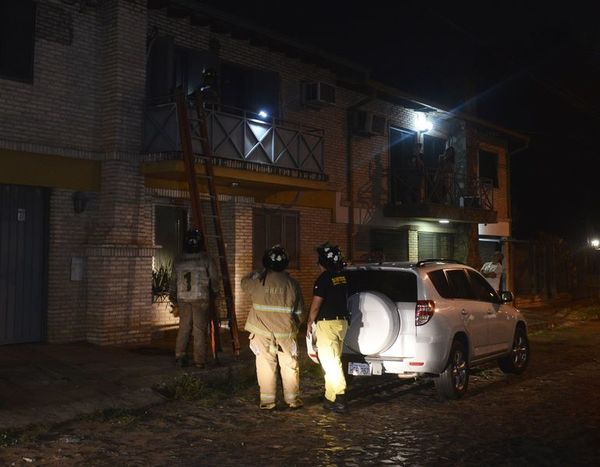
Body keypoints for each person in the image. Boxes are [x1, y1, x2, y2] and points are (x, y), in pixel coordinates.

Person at [241, 245, 304, 410]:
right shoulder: (293, 284)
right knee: (290, 365)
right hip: (285, 333)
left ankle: (268, 402)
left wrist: (256, 273)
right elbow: (299, 312)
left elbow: (243, 283)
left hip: (261, 333)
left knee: (265, 366)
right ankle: (292, 400)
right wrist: (293, 327)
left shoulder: (257, 283)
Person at [306, 242, 350, 413]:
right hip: (341, 323)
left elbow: (316, 305)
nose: (317, 264)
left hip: (327, 324)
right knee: (332, 360)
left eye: (319, 260)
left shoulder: (323, 279)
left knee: (331, 363)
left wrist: (310, 322)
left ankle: (340, 397)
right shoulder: (342, 277)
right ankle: (329, 398)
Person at [169, 228, 220, 369]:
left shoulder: (178, 259)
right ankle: (199, 361)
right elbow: (214, 279)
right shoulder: (206, 259)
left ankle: (180, 356)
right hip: (201, 298)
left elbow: (172, 281)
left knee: (184, 328)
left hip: (183, 298)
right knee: (199, 330)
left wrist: (173, 297)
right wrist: (215, 292)